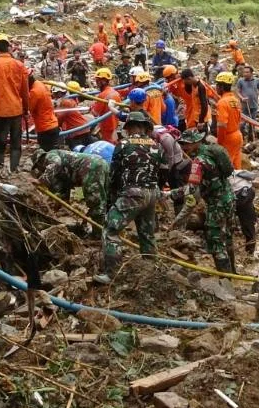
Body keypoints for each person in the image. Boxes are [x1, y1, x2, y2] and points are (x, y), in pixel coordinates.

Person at [95, 111, 163, 284]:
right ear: (145, 127)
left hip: (132, 193)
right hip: (152, 193)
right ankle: (152, 272)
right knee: (146, 234)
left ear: (129, 127)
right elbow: (161, 171)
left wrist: (112, 200)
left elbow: (114, 175)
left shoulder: (123, 144)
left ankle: (112, 274)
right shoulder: (156, 145)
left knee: (111, 229)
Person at [178, 129, 237, 273]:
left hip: (217, 204)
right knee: (228, 236)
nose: (182, 147)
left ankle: (226, 281)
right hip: (229, 199)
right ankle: (234, 273)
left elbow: (191, 189)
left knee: (216, 241)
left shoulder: (198, 162)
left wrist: (168, 194)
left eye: (185, 144)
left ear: (194, 143)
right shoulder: (211, 152)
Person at [0, 33, 30, 174]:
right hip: (16, 111)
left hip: (1, 112)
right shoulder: (19, 65)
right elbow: (25, 91)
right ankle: (15, 171)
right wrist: (26, 109)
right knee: (16, 143)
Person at [33, 149, 110, 227]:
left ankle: (98, 234)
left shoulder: (50, 155)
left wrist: (41, 180)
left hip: (91, 167)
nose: (39, 169)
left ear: (40, 161)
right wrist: (60, 200)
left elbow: (56, 163)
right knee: (102, 198)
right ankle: (104, 227)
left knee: (95, 201)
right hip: (98, 164)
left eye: (37, 166)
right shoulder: (61, 169)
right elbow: (67, 187)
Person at [213, 71, 243, 170]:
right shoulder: (235, 99)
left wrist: (220, 143)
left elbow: (222, 125)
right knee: (236, 165)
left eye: (217, 85)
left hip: (228, 138)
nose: (216, 87)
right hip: (238, 135)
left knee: (225, 167)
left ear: (221, 87)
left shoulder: (222, 102)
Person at [58, 81, 96, 149]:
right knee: (90, 149)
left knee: (78, 152)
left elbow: (59, 119)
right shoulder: (72, 100)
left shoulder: (65, 102)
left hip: (76, 132)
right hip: (84, 128)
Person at [28, 74, 61, 151]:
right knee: (54, 153)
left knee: (46, 155)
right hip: (53, 124)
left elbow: (29, 108)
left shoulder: (34, 92)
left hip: (45, 128)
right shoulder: (40, 84)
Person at [91, 68, 122, 144]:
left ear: (103, 81)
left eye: (97, 80)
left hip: (107, 127)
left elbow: (95, 113)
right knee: (114, 143)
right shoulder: (115, 92)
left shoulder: (103, 95)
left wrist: (92, 107)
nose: (96, 83)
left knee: (109, 146)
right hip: (114, 125)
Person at [235, 65, 259, 141]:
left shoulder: (257, 80)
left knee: (252, 124)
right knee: (242, 124)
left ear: (251, 73)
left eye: (247, 72)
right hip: (244, 106)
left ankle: (251, 140)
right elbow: (237, 91)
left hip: (254, 105)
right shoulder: (241, 81)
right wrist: (242, 98)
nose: (245, 74)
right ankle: (241, 139)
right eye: (244, 72)